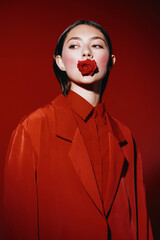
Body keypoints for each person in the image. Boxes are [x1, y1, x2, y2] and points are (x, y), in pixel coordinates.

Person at [3, 20, 153, 240]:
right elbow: (17, 226)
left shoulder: (126, 137)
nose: (86, 53)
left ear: (110, 62)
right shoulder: (33, 127)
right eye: (74, 46)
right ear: (60, 62)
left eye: (97, 46)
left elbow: (139, 226)